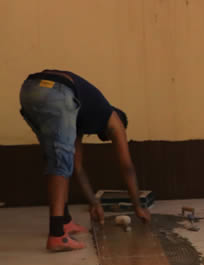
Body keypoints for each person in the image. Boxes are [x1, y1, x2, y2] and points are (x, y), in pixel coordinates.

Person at [18, 70, 149, 252]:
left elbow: (77, 166)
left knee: (58, 158)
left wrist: (94, 203)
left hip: (30, 90)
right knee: (60, 161)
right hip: (57, 91)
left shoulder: (81, 111)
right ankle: (57, 235)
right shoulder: (114, 118)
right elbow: (127, 166)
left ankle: (65, 221)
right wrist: (138, 206)